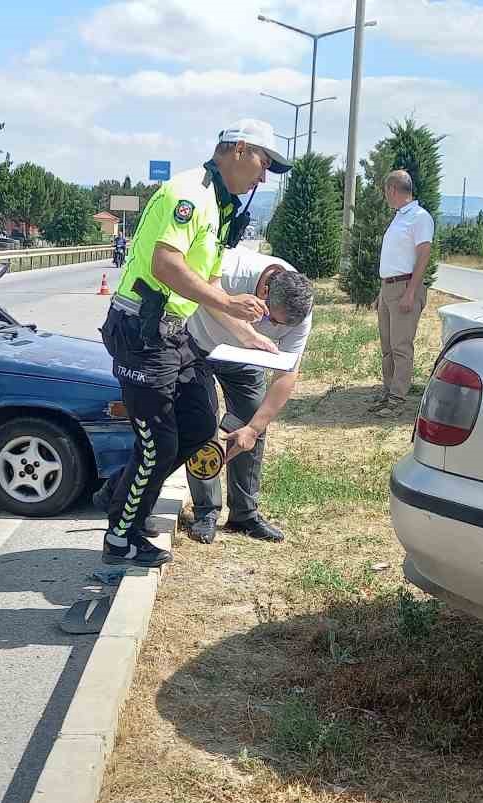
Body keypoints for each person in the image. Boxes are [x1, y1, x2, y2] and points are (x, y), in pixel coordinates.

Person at [97, 119, 286, 567]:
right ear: (238, 149)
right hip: (141, 332)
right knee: (157, 444)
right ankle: (120, 537)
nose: (263, 177)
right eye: (263, 163)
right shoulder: (191, 194)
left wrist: (250, 337)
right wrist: (226, 301)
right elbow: (166, 264)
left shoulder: (219, 208)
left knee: (200, 430)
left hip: (172, 335)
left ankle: (121, 496)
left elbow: (212, 289)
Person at [184, 247, 314, 544]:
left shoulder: (300, 310)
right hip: (198, 346)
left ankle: (244, 513)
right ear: (265, 290)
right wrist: (247, 333)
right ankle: (206, 511)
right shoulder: (232, 269)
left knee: (255, 418)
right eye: (275, 321)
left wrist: (254, 428)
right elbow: (201, 292)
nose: (277, 329)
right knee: (202, 424)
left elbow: (287, 373)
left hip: (244, 359)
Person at [373, 169, 436, 418]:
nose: (385, 197)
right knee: (387, 346)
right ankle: (388, 392)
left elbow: (423, 254)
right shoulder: (399, 217)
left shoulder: (419, 217)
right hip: (389, 287)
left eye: (385, 191)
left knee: (401, 346)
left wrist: (410, 292)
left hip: (405, 287)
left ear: (392, 189)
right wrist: (382, 291)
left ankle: (398, 397)